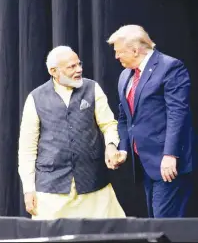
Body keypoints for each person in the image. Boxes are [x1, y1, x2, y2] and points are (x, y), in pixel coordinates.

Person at [18, 46, 125, 220]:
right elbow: (27, 148)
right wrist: (28, 189)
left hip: (93, 186)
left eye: (79, 64)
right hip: (51, 191)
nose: (79, 70)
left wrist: (111, 145)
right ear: (53, 71)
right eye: (71, 67)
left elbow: (109, 124)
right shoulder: (35, 98)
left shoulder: (92, 88)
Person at [107, 24, 197, 218]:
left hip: (169, 163)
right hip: (145, 164)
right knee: (156, 222)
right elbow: (125, 118)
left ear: (135, 49)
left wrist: (170, 155)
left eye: (119, 52)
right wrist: (123, 148)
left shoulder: (170, 67)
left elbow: (177, 113)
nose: (116, 57)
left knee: (165, 225)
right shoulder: (125, 76)